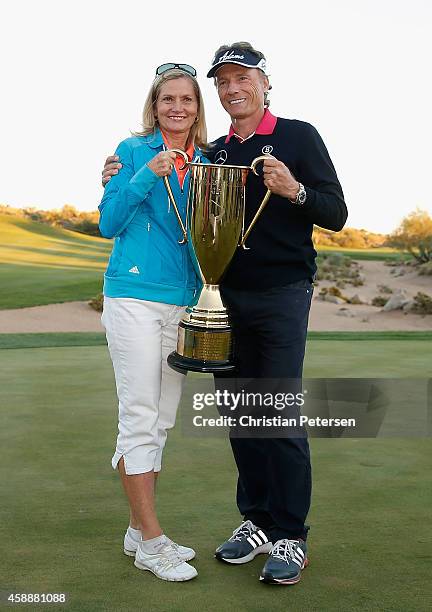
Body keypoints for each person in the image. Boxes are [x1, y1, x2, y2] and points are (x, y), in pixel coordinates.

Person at [102, 42, 348, 586]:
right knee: (240, 418)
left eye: (244, 79)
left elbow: (335, 211)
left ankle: (291, 534)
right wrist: (118, 173)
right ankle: (256, 520)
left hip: (283, 294)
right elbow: (156, 204)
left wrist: (296, 190)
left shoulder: (299, 135)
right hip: (221, 302)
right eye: (224, 81)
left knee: (277, 412)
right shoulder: (211, 153)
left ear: (264, 84)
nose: (234, 88)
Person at [99, 63, 208, 582]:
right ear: (155, 104)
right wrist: (148, 172)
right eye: (168, 99)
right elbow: (108, 222)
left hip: (183, 303)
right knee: (140, 417)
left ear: (196, 106)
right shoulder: (132, 150)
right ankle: (149, 540)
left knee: (161, 421)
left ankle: (135, 528)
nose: (177, 108)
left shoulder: (208, 160)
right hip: (134, 298)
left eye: (186, 99)